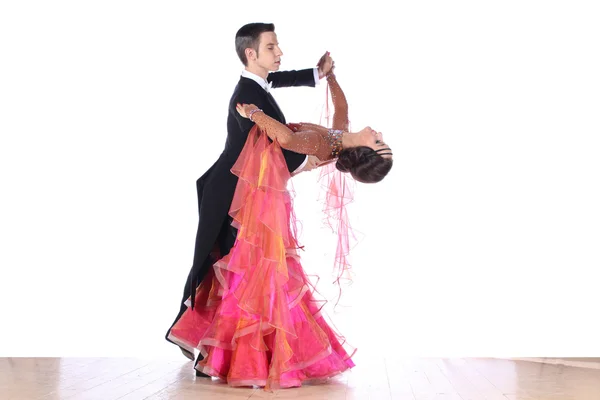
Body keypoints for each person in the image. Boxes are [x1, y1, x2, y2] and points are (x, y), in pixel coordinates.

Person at [165, 22, 335, 373]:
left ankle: (209, 350)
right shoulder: (247, 98)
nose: (280, 53)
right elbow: (275, 146)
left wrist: (316, 75)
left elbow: (278, 80)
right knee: (230, 273)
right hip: (230, 197)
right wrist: (310, 161)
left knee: (230, 274)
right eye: (272, 48)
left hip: (239, 194)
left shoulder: (256, 84)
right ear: (251, 54)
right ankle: (209, 351)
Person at [236, 71, 393, 183]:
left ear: (364, 152)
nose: (379, 134)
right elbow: (341, 107)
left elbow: (287, 139)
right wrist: (330, 75)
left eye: (378, 142)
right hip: (260, 142)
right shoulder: (340, 139)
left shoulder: (321, 145)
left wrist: (254, 113)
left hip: (252, 164)